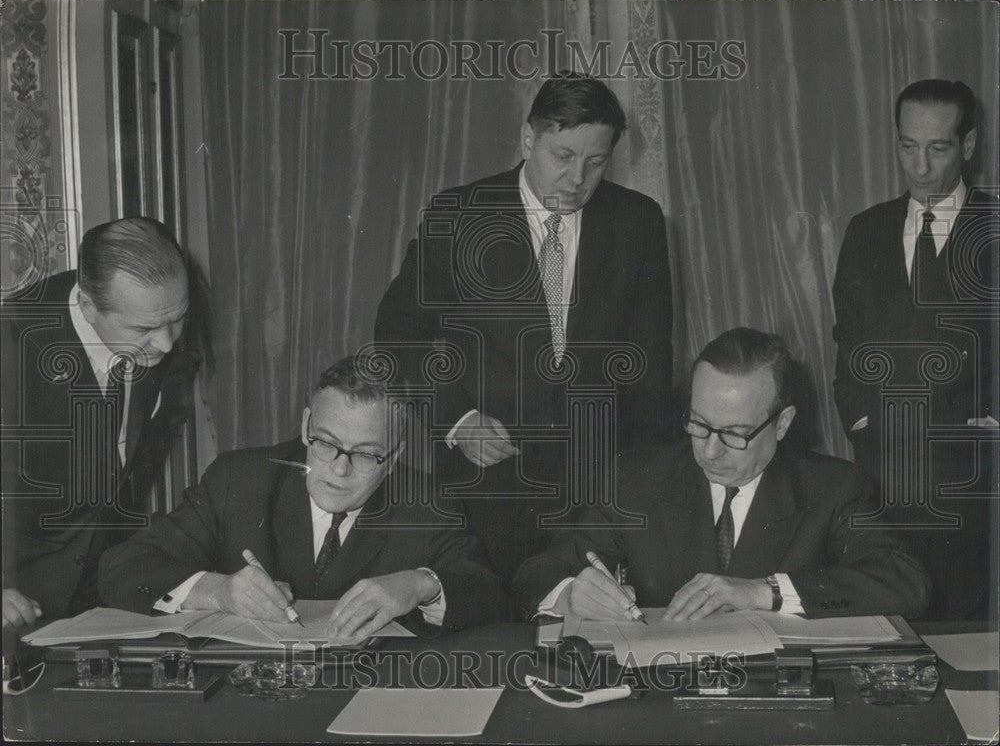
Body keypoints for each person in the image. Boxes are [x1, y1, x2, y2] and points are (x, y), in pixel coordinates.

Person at [375, 73, 673, 586]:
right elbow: (398, 333)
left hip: (597, 498)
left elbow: (650, 363)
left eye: (596, 162)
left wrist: (643, 484)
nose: (577, 178)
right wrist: (457, 419)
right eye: (563, 156)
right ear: (529, 139)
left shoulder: (638, 220)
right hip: (485, 494)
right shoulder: (460, 214)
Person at [513, 328, 931, 622]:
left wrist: (763, 591)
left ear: (782, 424)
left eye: (734, 434)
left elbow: (907, 584)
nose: (709, 450)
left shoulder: (833, 488)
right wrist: (570, 594)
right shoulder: (635, 480)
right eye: (698, 424)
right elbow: (537, 572)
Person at [98, 356, 508, 638]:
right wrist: (217, 591)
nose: (339, 468)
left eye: (366, 454)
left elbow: (491, 596)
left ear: (395, 456)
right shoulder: (240, 479)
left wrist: (420, 585)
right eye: (326, 442)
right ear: (306, 423)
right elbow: (123, 568)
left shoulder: (426, 503)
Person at [832, 79, 999, 620]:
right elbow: (849, 340)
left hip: (973, 475)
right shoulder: (866, 230)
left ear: (968, 146)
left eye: (938, 148)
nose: (920, 167)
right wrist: (858, 417)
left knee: (963, 636)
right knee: (888, 624)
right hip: (881, 469)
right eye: (908, 147)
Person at [2, 217, 194, 628]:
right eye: (145, 329)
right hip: (17, 602)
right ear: (89, 307)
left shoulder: (153, 320)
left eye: (177, 319)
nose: (166, 343)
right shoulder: (11, 341)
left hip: (102, 597)